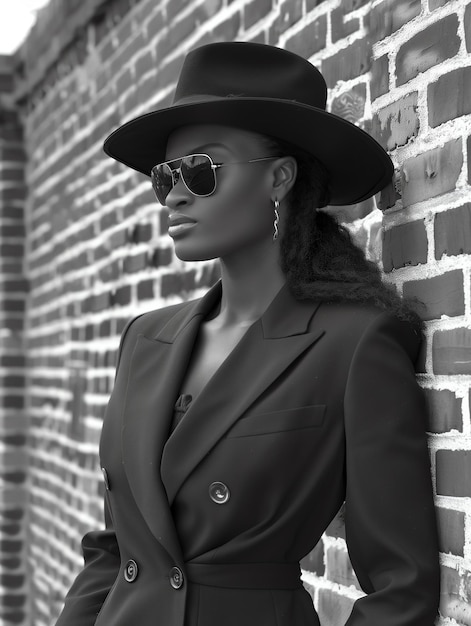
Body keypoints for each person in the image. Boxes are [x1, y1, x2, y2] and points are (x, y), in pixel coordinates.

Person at [55, 42, 440, 626]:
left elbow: (402, 587)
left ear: (279, 178)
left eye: (201, 170)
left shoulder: (355, 343)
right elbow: (115, 548)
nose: (175, 194)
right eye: (165, 176)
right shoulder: (144, 339)